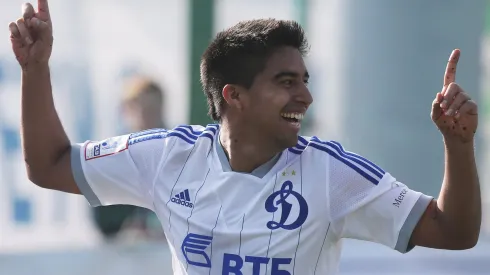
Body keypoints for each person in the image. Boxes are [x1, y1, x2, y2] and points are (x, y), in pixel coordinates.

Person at [9, 1, 481, 274]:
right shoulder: (167, 157)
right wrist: (36, 69)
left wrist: (458, 147)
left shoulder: (331, 172)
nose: (307, 97)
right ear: (234, 95)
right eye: (286, 82)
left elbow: (454, 232)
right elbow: (49, 164)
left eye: (306, 79)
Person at [92, 76, 166, 241]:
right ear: (126, 111)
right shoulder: (111, 159)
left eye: (153, 109)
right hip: (126, 256)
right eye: (142, 109)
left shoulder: (180, 153)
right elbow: (104, 223)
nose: (147, 116)